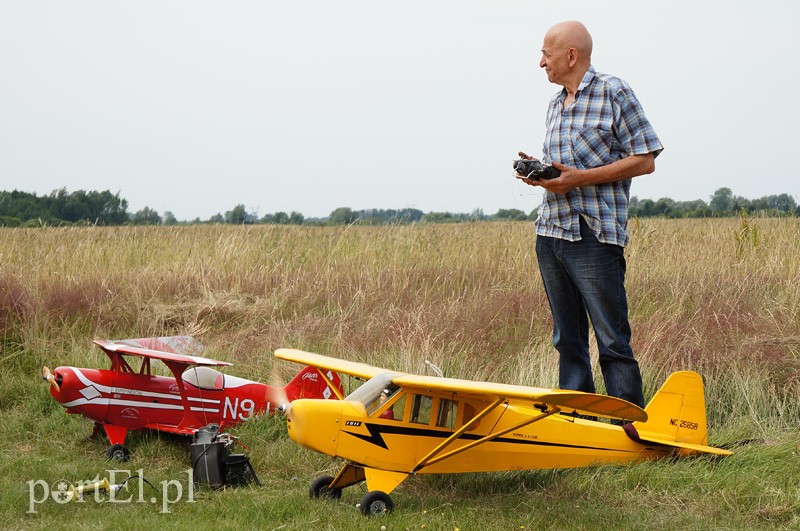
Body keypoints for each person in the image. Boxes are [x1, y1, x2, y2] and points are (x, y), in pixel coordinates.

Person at [516, 21, 663, 409]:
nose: (540, 63)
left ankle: (628, 424)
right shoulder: (554, 103)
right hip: (550, 232)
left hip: (594, 235)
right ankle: (576, 423)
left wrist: (579, 179)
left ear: (571, 56)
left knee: (612, 338)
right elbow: (567, 168)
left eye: (546, 54)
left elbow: (645, 159)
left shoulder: (614, 92)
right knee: (567, 338)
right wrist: (542, 170)